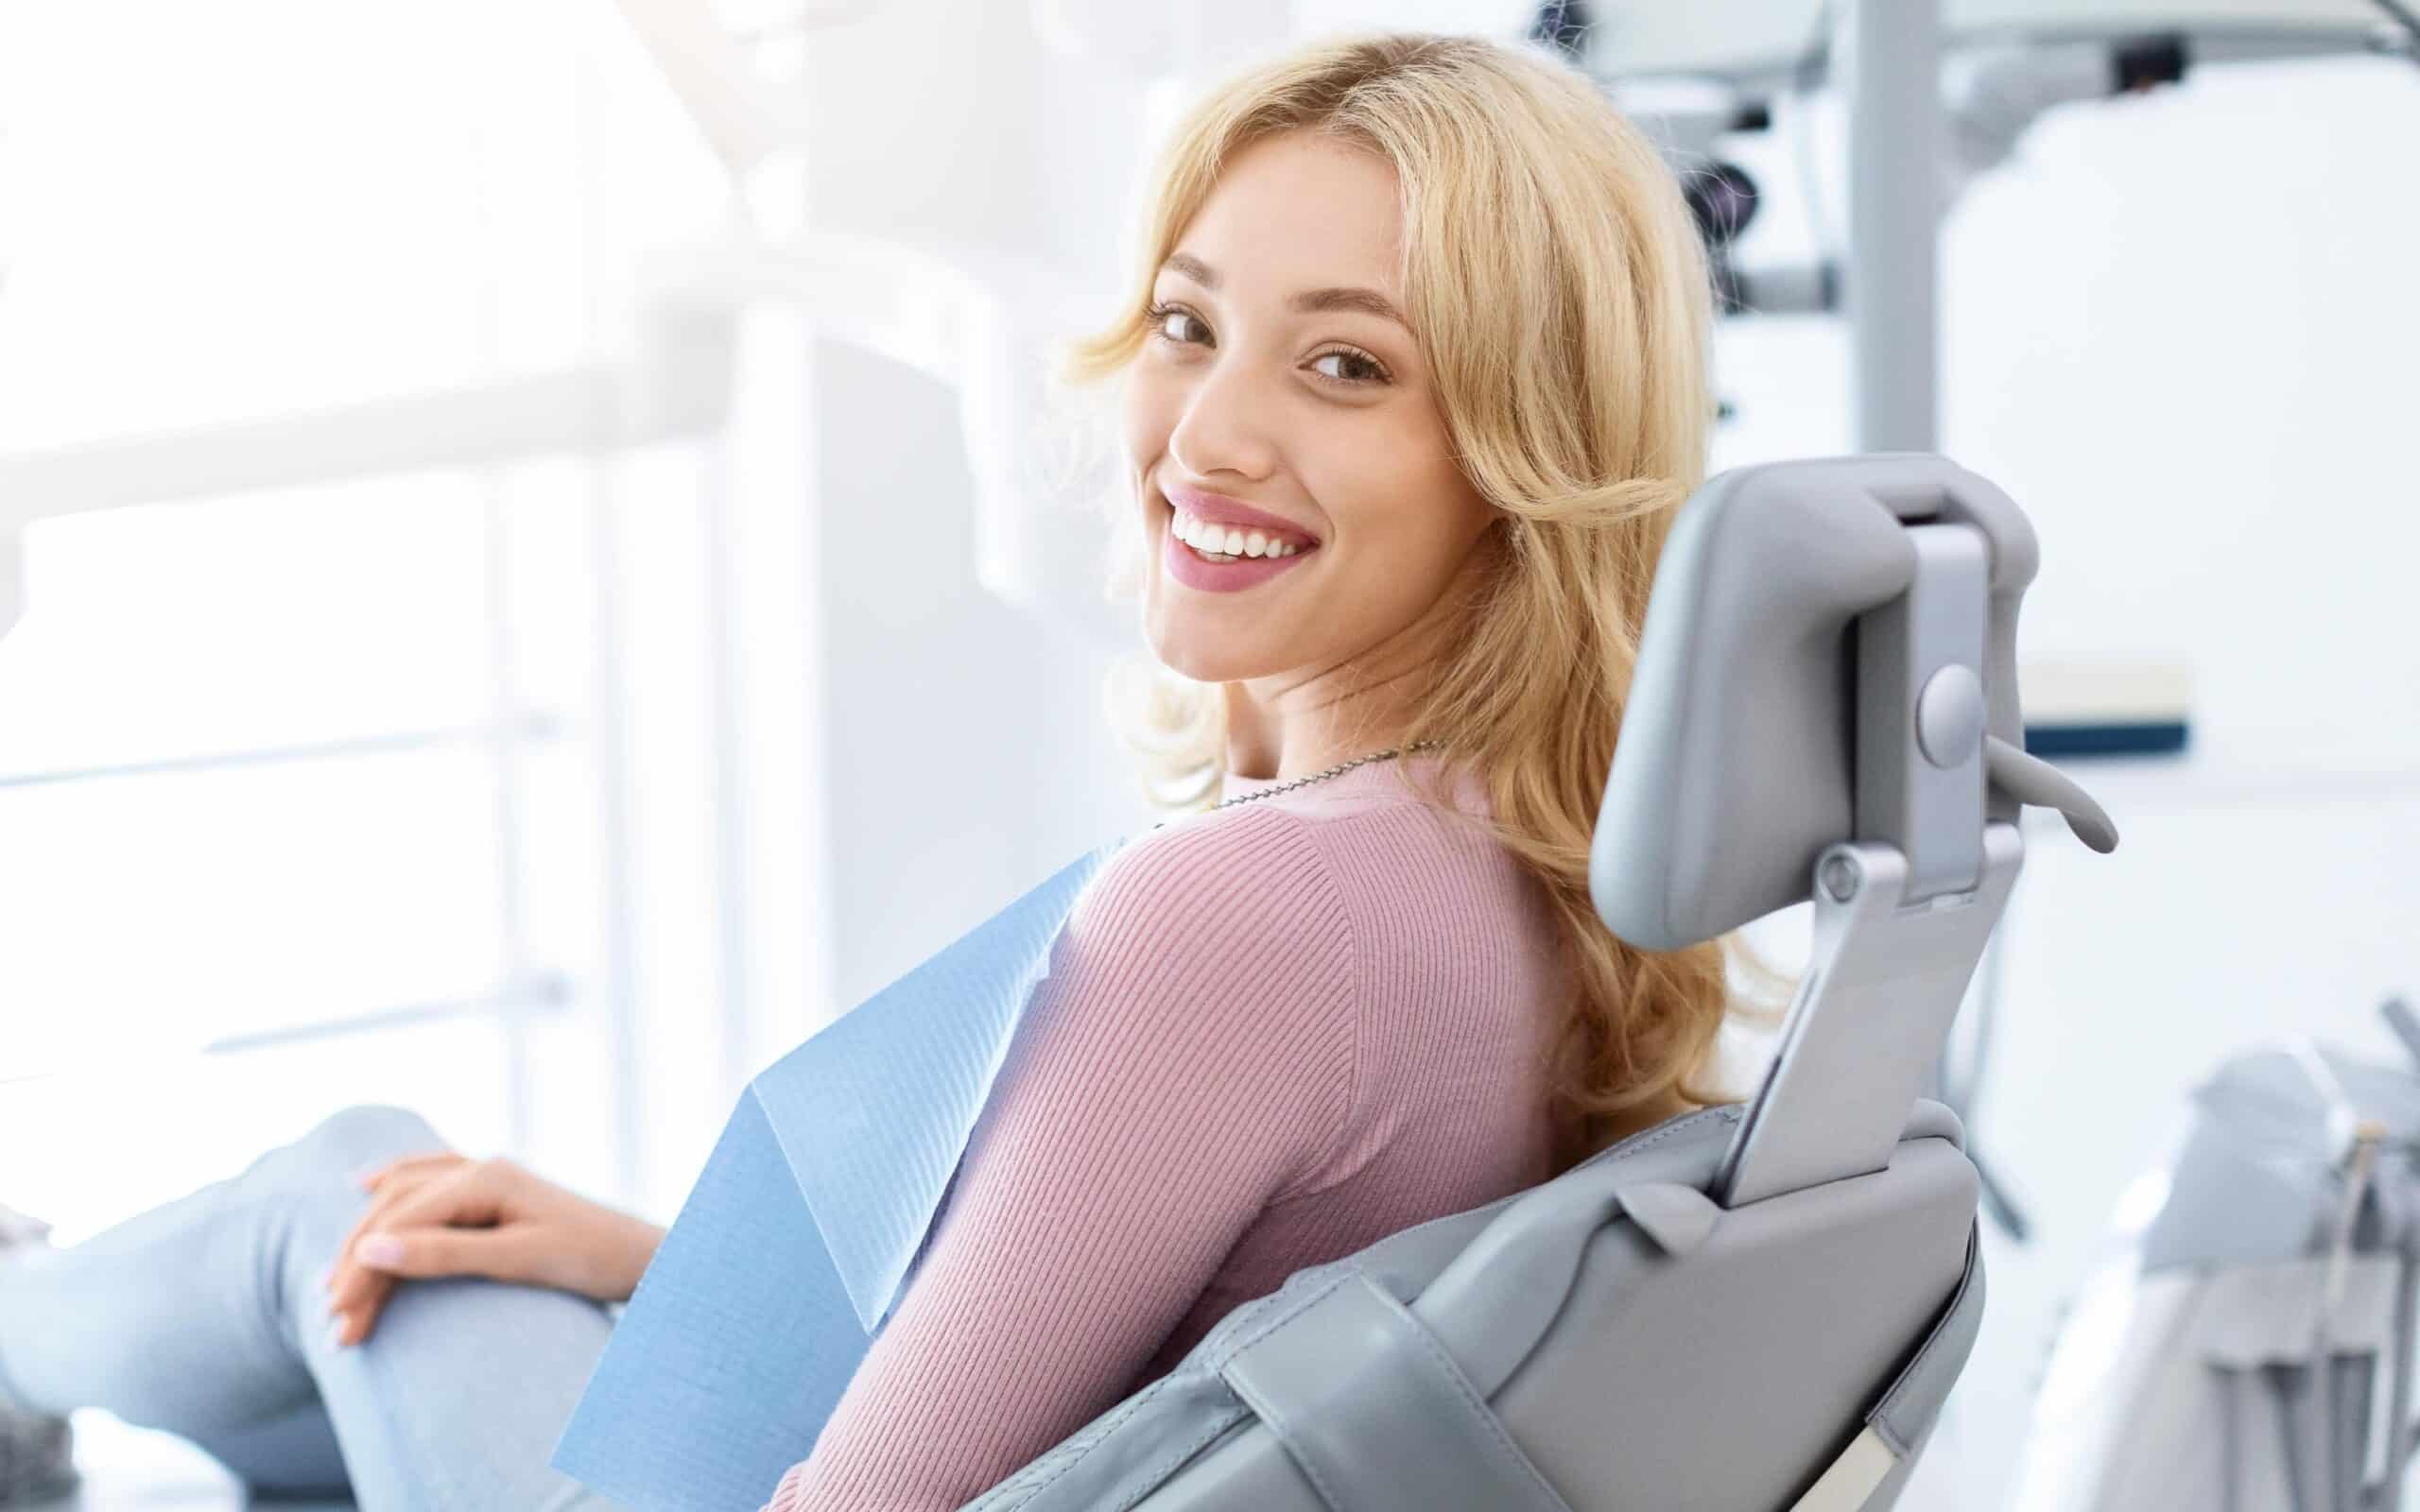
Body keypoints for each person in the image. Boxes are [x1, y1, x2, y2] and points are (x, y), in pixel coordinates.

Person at [0, 29, 1786, 1512]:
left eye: (1344, 364)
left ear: (1524, 450)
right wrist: (651, 1273)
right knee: (421, 1239)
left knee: (345, 1193)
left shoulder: (1252, 914)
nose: (1208, 436)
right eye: (1186, 324)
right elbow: (1162, 1368)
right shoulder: (1547, 860)